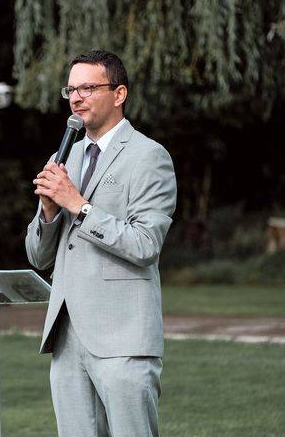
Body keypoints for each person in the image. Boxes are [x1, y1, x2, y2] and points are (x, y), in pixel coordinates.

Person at [24, 50, 177, 437]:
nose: (77, 97)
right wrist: (48, 212)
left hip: (123, 335)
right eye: (71, 89)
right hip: (67, 335)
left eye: (88, 87)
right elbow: (39, 257)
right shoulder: (64, 159)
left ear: (119, 93)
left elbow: (145, 245)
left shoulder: (149, 156)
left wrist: (77, 206)